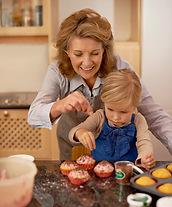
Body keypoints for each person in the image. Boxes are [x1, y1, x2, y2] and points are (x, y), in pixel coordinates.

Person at [27, 8, 172, 161]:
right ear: (66, 52)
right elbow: (33, 116)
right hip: (72, 151)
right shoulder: (57, 72)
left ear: (104, 50)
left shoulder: (120, 67)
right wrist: (60, 105)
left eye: (95, 53)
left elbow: (154, 115)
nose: (87, 62)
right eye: (78, 54)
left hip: (116, 156)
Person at [69, 69, 156, 170]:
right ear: (104, 101)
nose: (116, 117)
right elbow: (73, 132)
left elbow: (144, 143)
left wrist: (145, 157)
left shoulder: (138, 120)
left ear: (135, 106)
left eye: (123, 112)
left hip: (128, 173)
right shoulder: (100, 116)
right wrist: (80, 133)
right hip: (99, 173)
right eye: (110, 109)